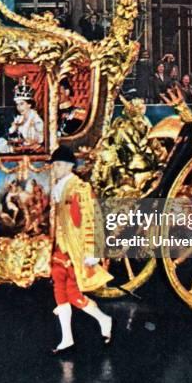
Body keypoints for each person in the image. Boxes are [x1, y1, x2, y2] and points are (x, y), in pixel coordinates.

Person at [49, 145, 113, 354]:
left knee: (74, 294)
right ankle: (66, 339)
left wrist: (93, 251)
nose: (54, 169)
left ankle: (104, 319)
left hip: (76, 249)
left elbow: (92, 220)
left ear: (68, 166)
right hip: (61, 248)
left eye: (57, 165)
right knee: (59, 290)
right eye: (53, 165)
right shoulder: (60, 189)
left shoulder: (80, 189)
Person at [0, 78, 44, 153]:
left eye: (22, 104)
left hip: (32, 151)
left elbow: (39, 142)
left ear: (29, 104)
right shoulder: (19, 118)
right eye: (17, 104)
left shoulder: (36, 120)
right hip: (20, 149)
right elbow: (10, 136)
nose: (19, 107)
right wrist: (12, 130)